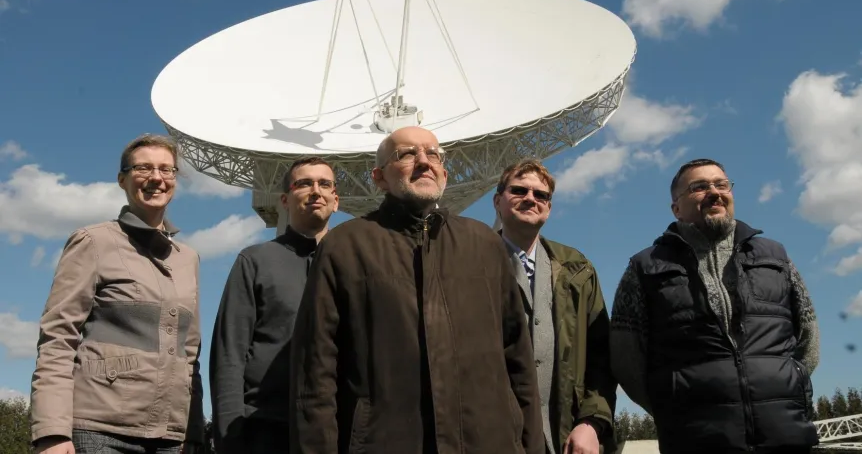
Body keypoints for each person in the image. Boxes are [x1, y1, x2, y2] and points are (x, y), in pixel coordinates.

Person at [288, 126, 544, 454]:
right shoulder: (345, 246)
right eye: (407, 154)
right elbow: (315, 371)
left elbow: (518, 359)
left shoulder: (484, 244)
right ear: (379, 177)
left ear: (445, 174)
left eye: (433, 154)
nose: (424, 161)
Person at [609, 158, 820, 454]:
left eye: (722, 185)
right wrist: (672, 411)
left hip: (785, 436)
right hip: (695, 441)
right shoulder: (645, 268)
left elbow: (809, 335)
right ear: (676, 208)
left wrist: (791, 385)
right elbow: (626, 358)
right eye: (699, 187)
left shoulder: (776, 256)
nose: (714, 192)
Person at [30, 134, 204, 454]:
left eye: (166, 169)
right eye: (143, 168)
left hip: (170, 438)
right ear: (122, 179)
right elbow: (58, 337)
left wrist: (193, 432)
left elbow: (189, 353)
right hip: (100, 430)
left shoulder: (187, 259)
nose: (156, 177)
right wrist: (52, 431)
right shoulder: (93, 242)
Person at [209, 157, 339, 453]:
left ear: (336, 200)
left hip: (336, 432)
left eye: (324, 184)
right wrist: (230, 436)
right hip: (265, 430)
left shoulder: (353, 263)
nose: (316, 191)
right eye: (303, 183)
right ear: (284, 199)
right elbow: (229, 354)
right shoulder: (255, 261)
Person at [493, 159, 616, 454]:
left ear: (548, 207)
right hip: (491, 436)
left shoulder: (578, 269)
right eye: (519, 190)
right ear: (497, 201)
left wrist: (592, 422)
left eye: (541, 195)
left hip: (563, 437)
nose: (530, 198)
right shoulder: (467, 264)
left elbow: (601, 356)